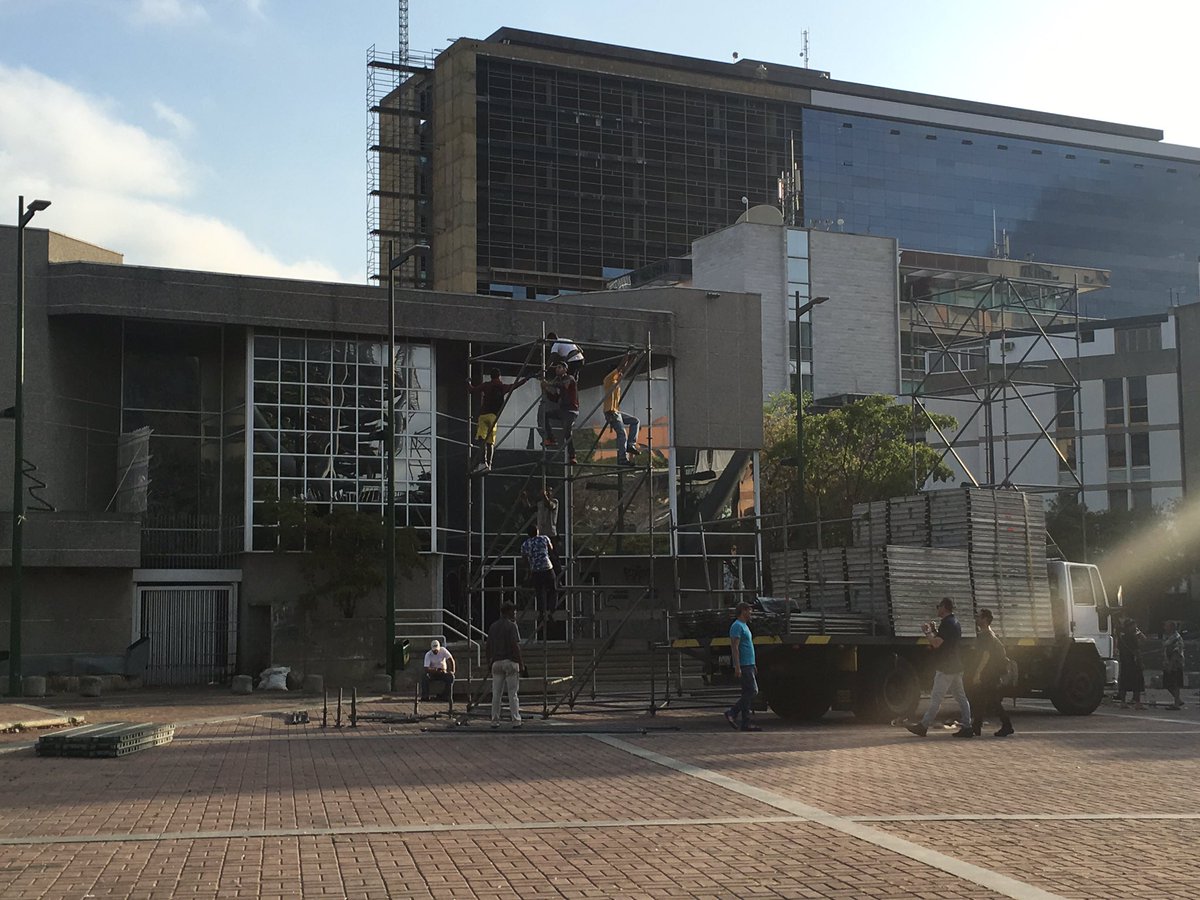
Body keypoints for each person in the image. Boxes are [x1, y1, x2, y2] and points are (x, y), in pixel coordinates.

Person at [907, 597, 973, 738]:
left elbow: (937, 643)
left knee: (936, 698)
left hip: (946, 667)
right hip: (956, 665)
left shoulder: (947, 624)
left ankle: (923, 726)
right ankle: (967, 726)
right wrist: (935, 630)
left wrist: (927, 632)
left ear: (944, 607)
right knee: (961, 697)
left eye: (938, 606)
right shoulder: (955, 623)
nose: (937, 609)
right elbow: (945, 640)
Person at [466, 368, 528, 473]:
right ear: (499, 376)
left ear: (491, 376)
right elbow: (515, 385)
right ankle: (488, 465)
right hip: (493, 417)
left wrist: (468, 382)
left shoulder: (486, 385)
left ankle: (482, 463)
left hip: (483, 416)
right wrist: (526, 379)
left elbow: (472, 390)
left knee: (482, 440)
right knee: (490, 443)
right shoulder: (502, 387)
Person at [969, 609, 1014, 738]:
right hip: (990, 672)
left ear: (985, 619)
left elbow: (986, 655)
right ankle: (976, 726)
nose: (976, 619)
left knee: (992, 701)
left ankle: (1007, 726)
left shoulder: (987, 636)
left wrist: (978, 673)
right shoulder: (987, 634)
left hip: (990, 673)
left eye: (978, 617)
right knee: (981, 699)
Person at [723, 601, 761, 732]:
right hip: (743, 664)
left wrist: (753, 663)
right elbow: (735, 647)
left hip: (749, 663)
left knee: (746, 692)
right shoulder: (737, 626)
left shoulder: (745, 626)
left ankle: (746, 722)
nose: (751, 613)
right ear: (743, 611)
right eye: (749, 610)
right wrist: (737, 666)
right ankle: (732, 712)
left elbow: (748, 646)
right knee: (753, 691)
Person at [487, 603, 523, 728]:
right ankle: (516, 719)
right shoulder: (512, 626)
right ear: (507, 612)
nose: (514, 615)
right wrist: (521, 663)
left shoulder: (493, 627)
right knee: (513, 693)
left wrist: (489, 662)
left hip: (496, 662)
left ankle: (495, 719)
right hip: (510, 661)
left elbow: (488, 646)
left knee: (496, 694)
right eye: (513, 612)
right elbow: (515, 645)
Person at [602, 351, 641, 466]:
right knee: (622, 434)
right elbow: (621, 367)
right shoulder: (609, 379)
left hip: (616, 412)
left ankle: (630, 445)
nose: (620, 374)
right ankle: (622, 458)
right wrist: (627, 354)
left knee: (635, 421)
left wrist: (634, 358)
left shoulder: (616, 381)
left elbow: (625, 368)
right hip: (611, 412)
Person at [521, 523, 557, 638]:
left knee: (539, 592)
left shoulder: (525, 544)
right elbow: (551, 550)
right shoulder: (544, 538)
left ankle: (541, 612)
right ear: (537, 531)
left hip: (536, 570)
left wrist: (529, 569)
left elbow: (524, 558)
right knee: (553, 589)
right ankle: (551, 611)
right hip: (547, 567)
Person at [543, 359, 579, 464]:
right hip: (563, 410)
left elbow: (564, 385)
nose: (557, 370)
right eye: (556, 368)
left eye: (559, 368)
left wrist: (548, 384)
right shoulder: (559, 383)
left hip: (571, 410)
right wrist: (546, 390)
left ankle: (572, 456)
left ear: (565, 369)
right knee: (546, 415)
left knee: (567, 432)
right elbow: (555, 399)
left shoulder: (569, 379)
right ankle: (550, 438)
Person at [1117, 616, 1145, 709]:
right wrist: (1141, 662)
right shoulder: (1133, 637)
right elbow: (1138, 649)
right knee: (1137, 682)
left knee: (1124, 681)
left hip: (1124, 662)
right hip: (1134, 662)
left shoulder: (1121, 637)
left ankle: (1123, 702)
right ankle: (1137, 702)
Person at [1162, 620, 1185, 710]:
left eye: (1167, 626)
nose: (1165, 628)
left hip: (1175, 664)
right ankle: (1178, 700)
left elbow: (1176, 652)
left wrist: (1171, 665)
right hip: (1167, 662)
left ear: (1171, 627)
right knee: (1167, 683)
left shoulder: (1176, 637)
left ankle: (1176, 703)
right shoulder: (1167, 637)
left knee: (1175, 683)